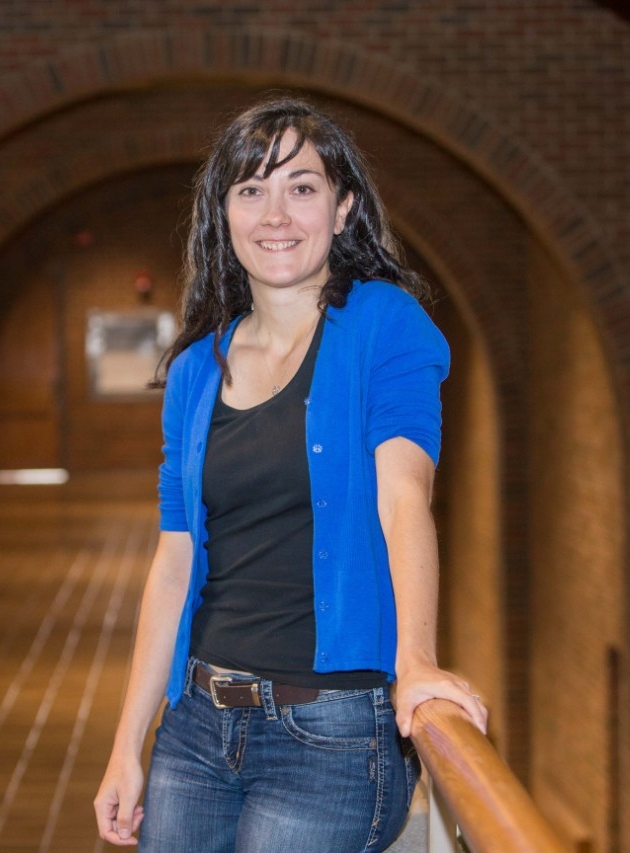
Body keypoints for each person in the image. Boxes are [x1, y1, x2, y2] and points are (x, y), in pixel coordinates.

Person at [93, 96, 487, 852]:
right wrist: (126, 744)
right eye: (252, 190)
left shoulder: (384, 325)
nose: (276, 213)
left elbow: (405, 498)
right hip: (197, 725)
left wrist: (417, 662)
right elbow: (173, 564)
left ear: (342, 209)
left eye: (301, 187)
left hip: (330, 736)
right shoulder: (194, 370)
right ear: (225, 214)